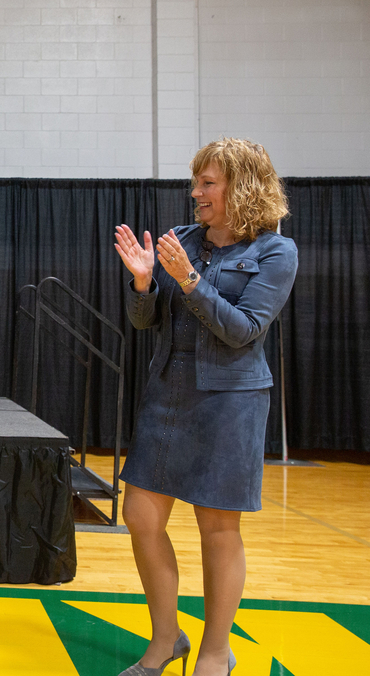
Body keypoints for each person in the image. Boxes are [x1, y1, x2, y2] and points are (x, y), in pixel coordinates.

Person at [113, 138, 297, 676]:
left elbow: (243, 330)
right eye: (196, 182)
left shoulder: (274, 252)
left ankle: (217, 652)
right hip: (168, 393)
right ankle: (166, 640)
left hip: (231, 403)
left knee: (218, 530)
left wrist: (190, 281)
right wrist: (144, 282)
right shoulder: (183, 240)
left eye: (208, 183)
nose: (196, 193)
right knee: (140, 516)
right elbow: (145, 322)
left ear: (243, 187)